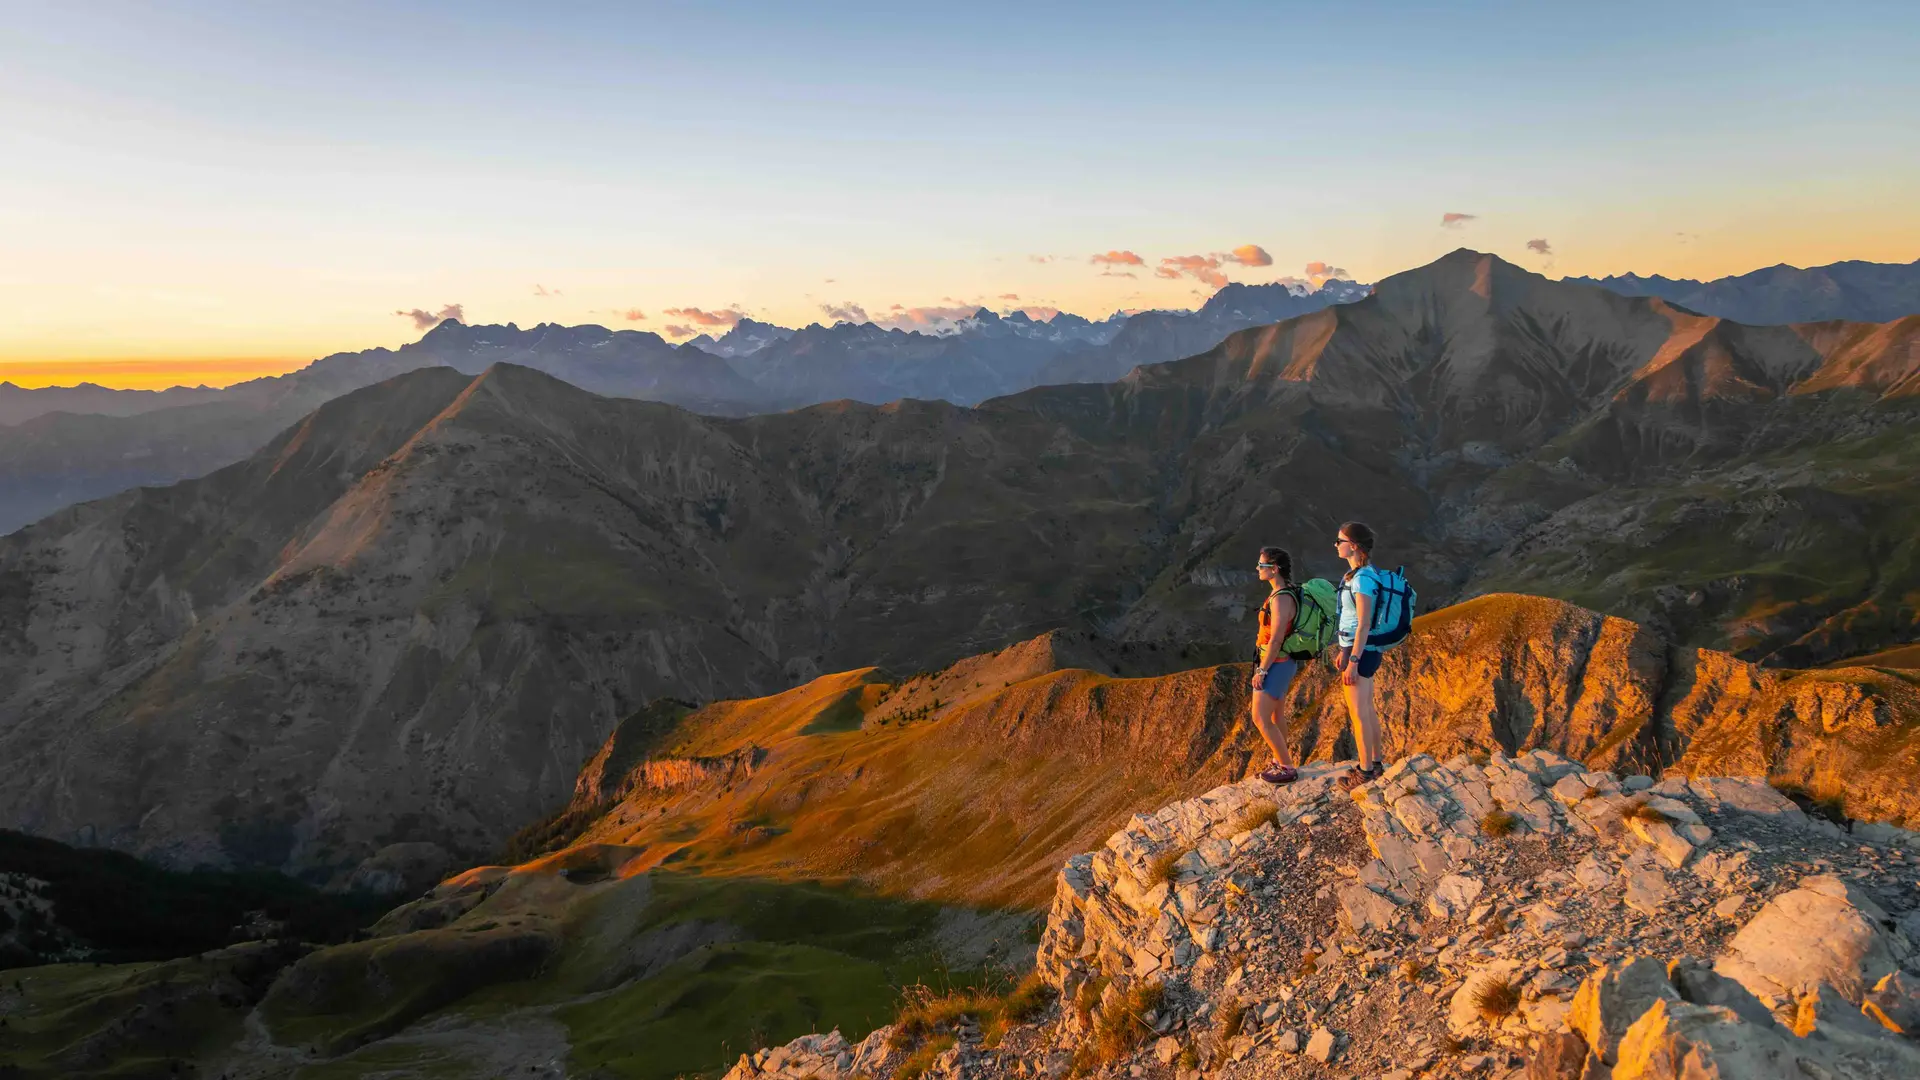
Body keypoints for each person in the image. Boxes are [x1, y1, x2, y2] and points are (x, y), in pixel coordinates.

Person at [1333, 521, 1386, 790]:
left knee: (1358, 713)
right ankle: (1374, 763)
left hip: (1361, 651)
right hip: (1363, 649)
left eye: (1339, 541)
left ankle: (1364, 772)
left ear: (1353, 546)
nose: (1336, 545)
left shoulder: (1362, 579)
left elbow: (1363, 622)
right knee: (1366, 709)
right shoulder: (1363, 574)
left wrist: (1352, 660)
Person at [1249, 546, 1300, 784]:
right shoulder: (1282, 592)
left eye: (1262, 565)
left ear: (1274, 569)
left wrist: (1262, 670)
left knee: (1259, 717)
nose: (1258, 569)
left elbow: (1277, 638)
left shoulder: (1280, 598)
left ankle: (1286, 767)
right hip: (1281, 662)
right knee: (1276, 715)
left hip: (1276, 663)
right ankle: (1280, 760)